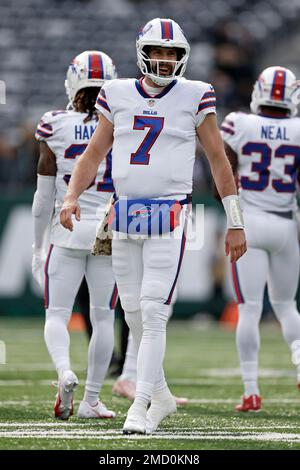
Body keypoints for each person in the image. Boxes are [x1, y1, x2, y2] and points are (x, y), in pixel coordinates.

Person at [60, 18, 246, 434]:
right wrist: (71, 195)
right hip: (124, 212)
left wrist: (236, 221)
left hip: (170, 213)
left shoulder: (196, 95)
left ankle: (141, 405)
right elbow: (92, 154)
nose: (164, 60)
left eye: (172, 53)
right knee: (134, 313)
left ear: (183, 57)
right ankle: (159, 393)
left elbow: (219, 160)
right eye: (158, 52)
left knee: (154, 311)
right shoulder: (118, 92)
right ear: (144, 52)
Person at [32, 50, 118, 420]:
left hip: (66, 227)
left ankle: (65, 371)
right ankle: (92, 400)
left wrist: (38, 247)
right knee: (103, 318)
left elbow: (43, 195)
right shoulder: (122, 123)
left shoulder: (55, 124)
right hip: (108, 229)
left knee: (57, 314)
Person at [220, 66, 300, 412]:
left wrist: (232, 219)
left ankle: (251, 391)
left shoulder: (240, 123)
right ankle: (299, 356)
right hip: (285, 223)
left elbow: (221, 174)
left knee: (249, 309)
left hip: (248, 222)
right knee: (286, 306)